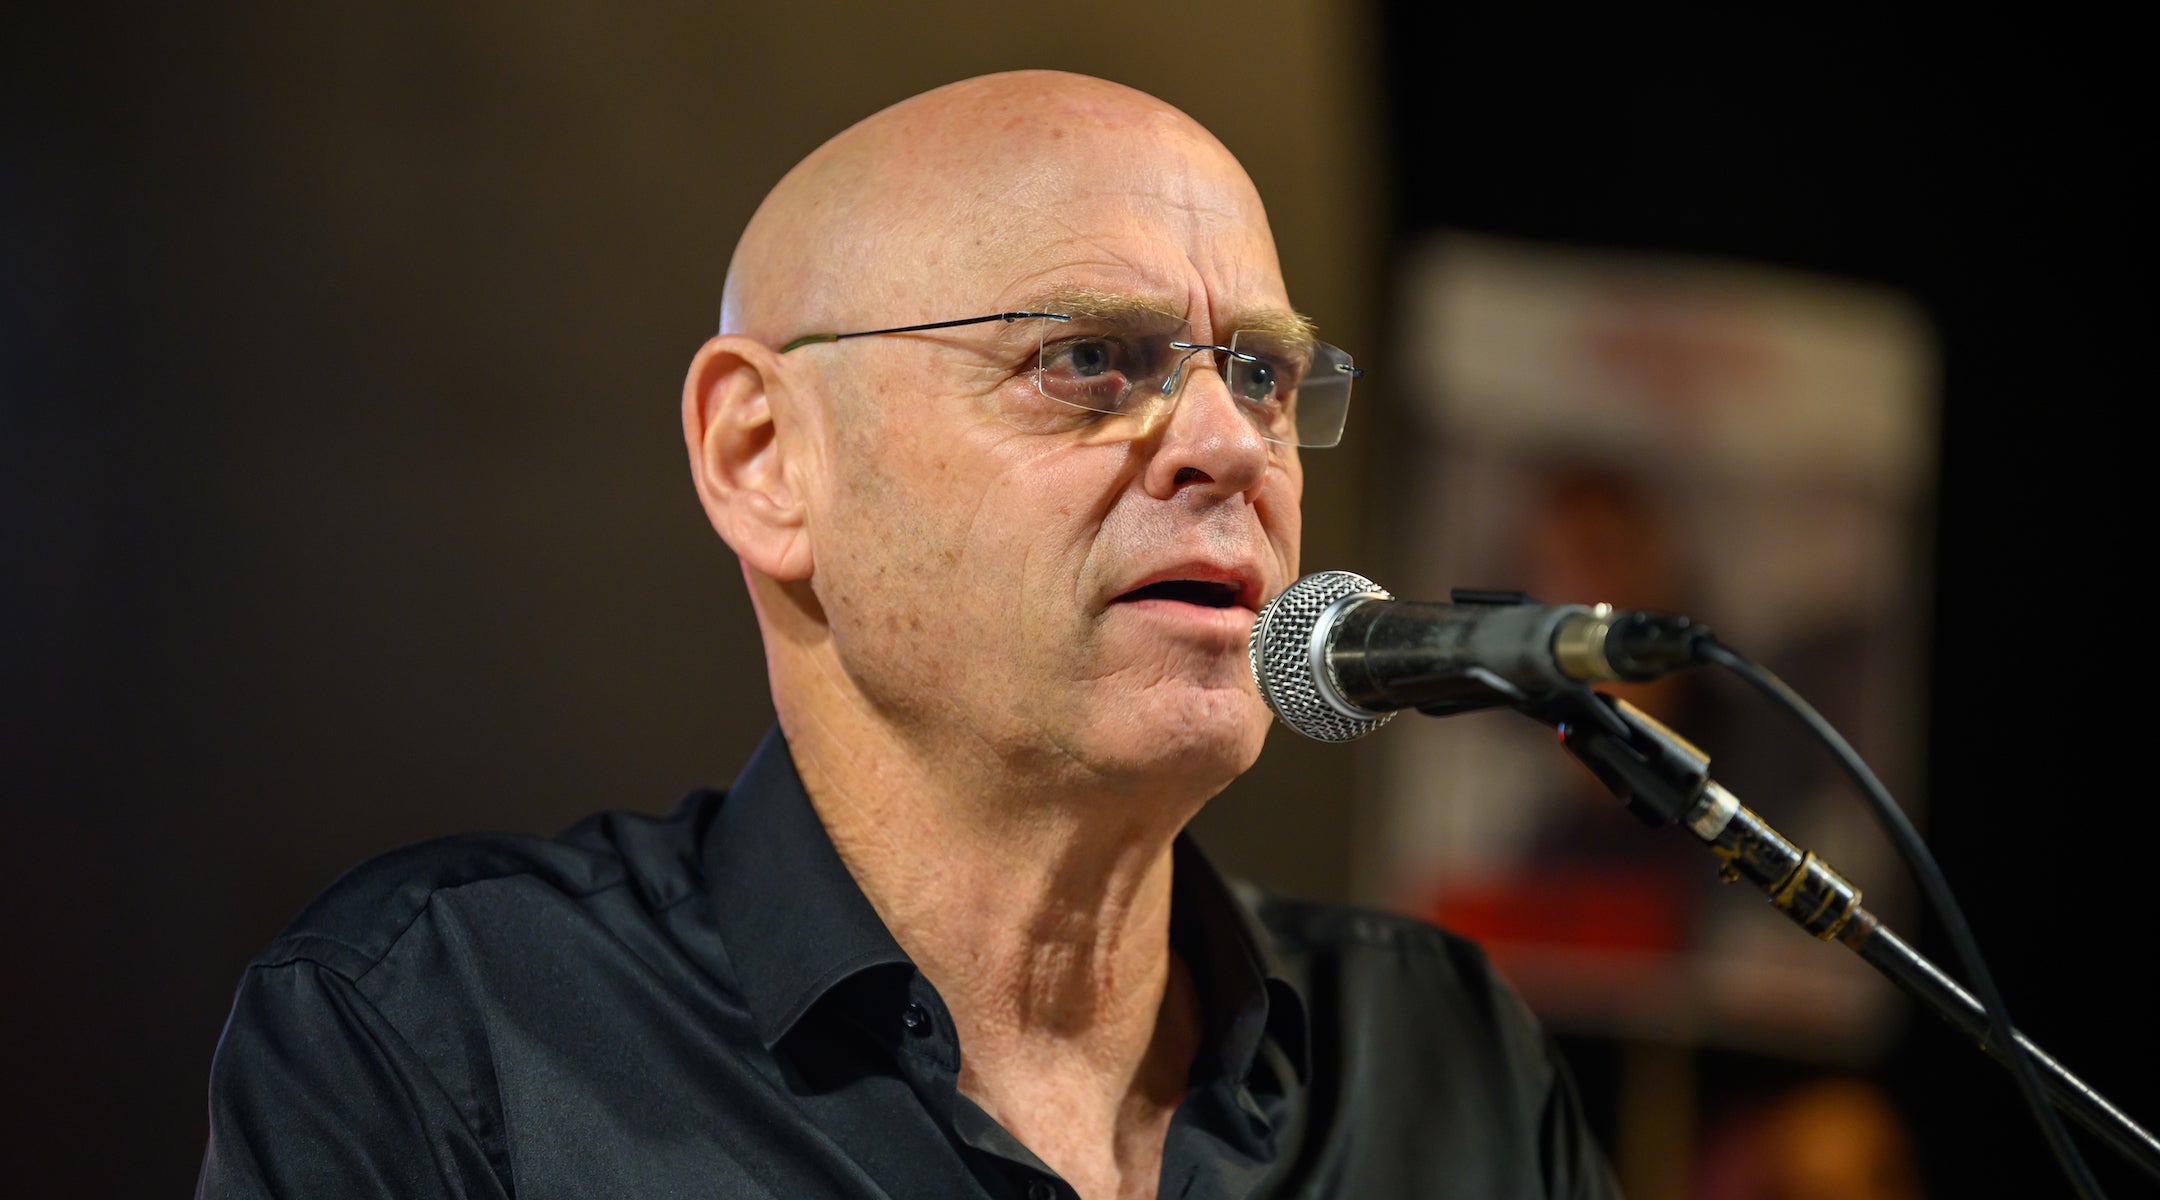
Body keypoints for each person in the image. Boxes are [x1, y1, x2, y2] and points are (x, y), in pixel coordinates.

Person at [196, 71, 1620, 1199]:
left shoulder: (1443, 1057)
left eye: (1261, 373)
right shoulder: (449, 1033)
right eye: (1087, 360)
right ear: (763, 457)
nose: (1227, 446)